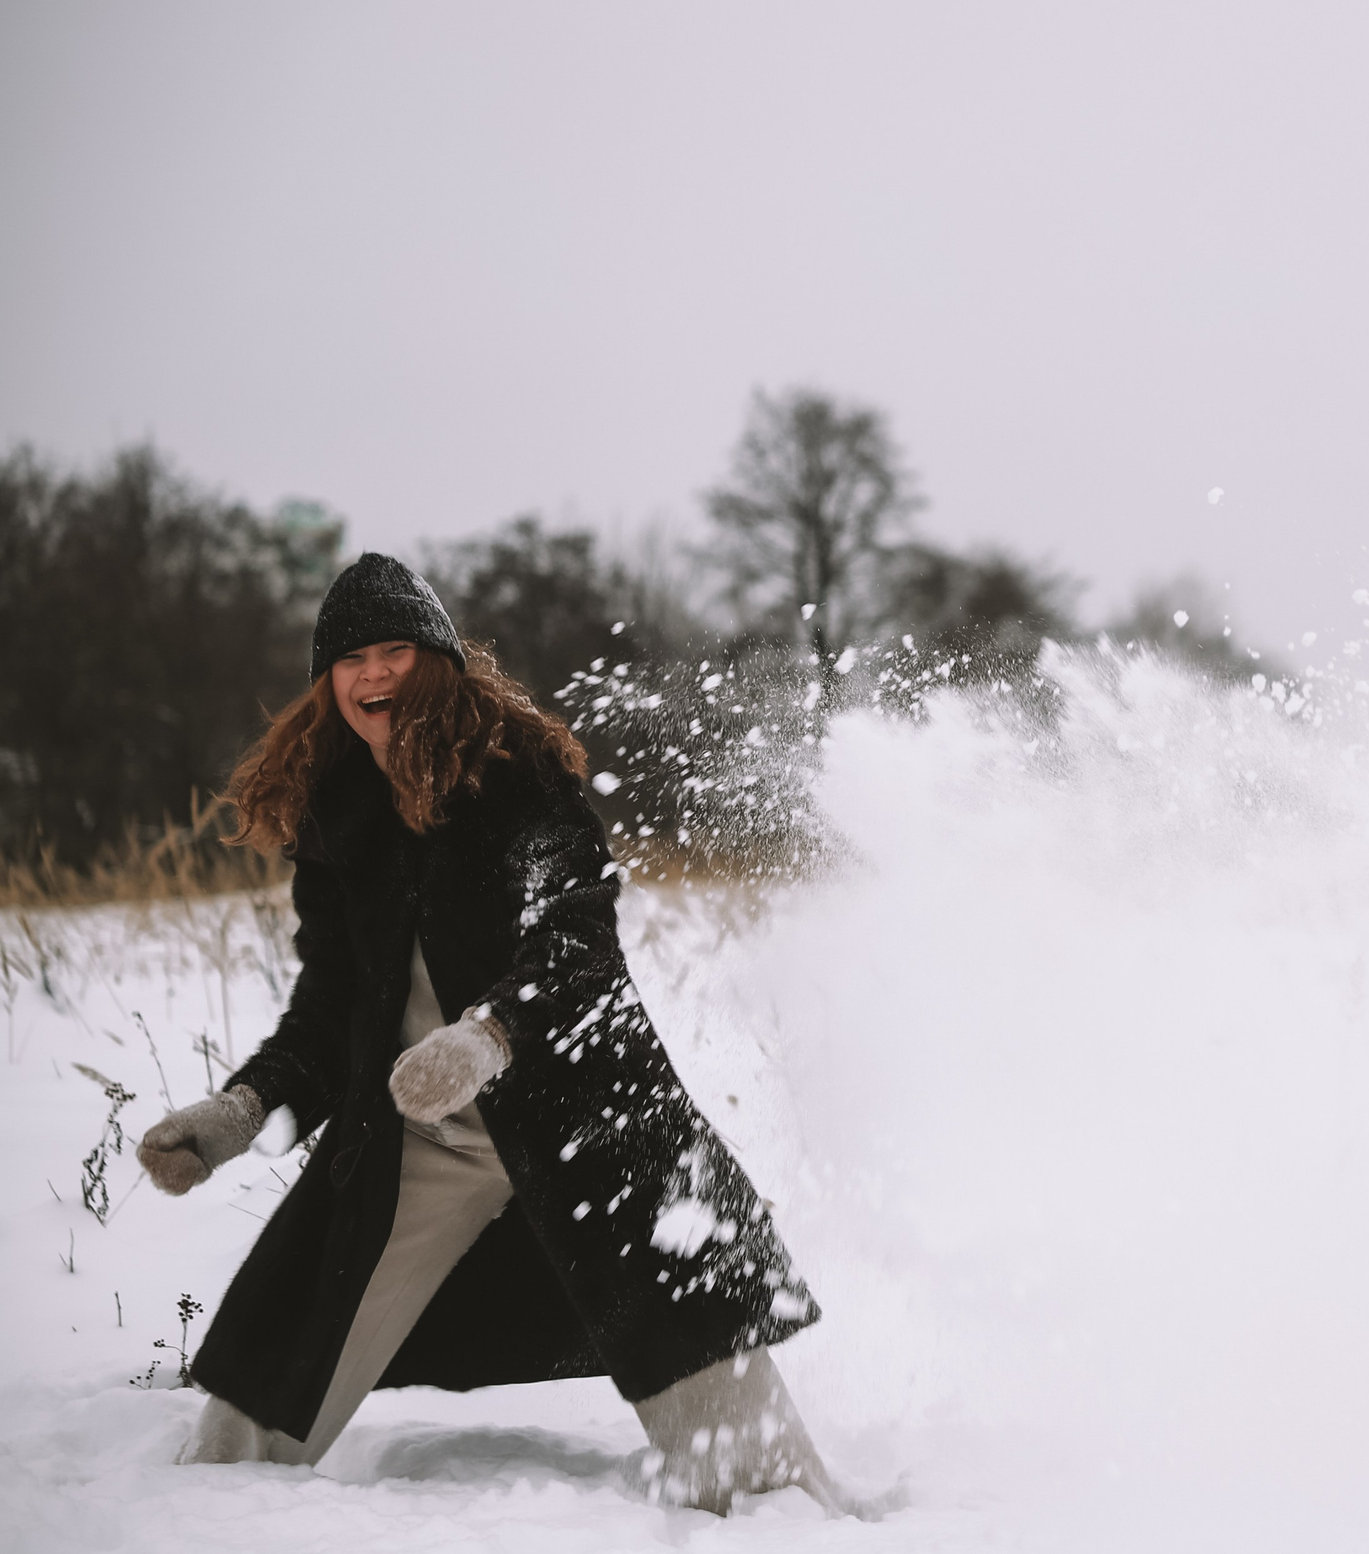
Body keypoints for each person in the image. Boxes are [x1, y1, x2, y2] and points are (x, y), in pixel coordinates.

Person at [135, 553, 854, 1516]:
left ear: (438, 661)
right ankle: (212, 1515)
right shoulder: (336, 816)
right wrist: (239, 1110)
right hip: (423, 1136)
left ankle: (790, 1518)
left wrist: (487, 1037)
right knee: (265, 1377)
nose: (375, 674)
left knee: (730, 1418)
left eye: (396, 649)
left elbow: (580, 936)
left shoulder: (519, 779)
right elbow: (332, 1007)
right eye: (352, 658)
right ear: (327, 682)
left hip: (582, 1119)